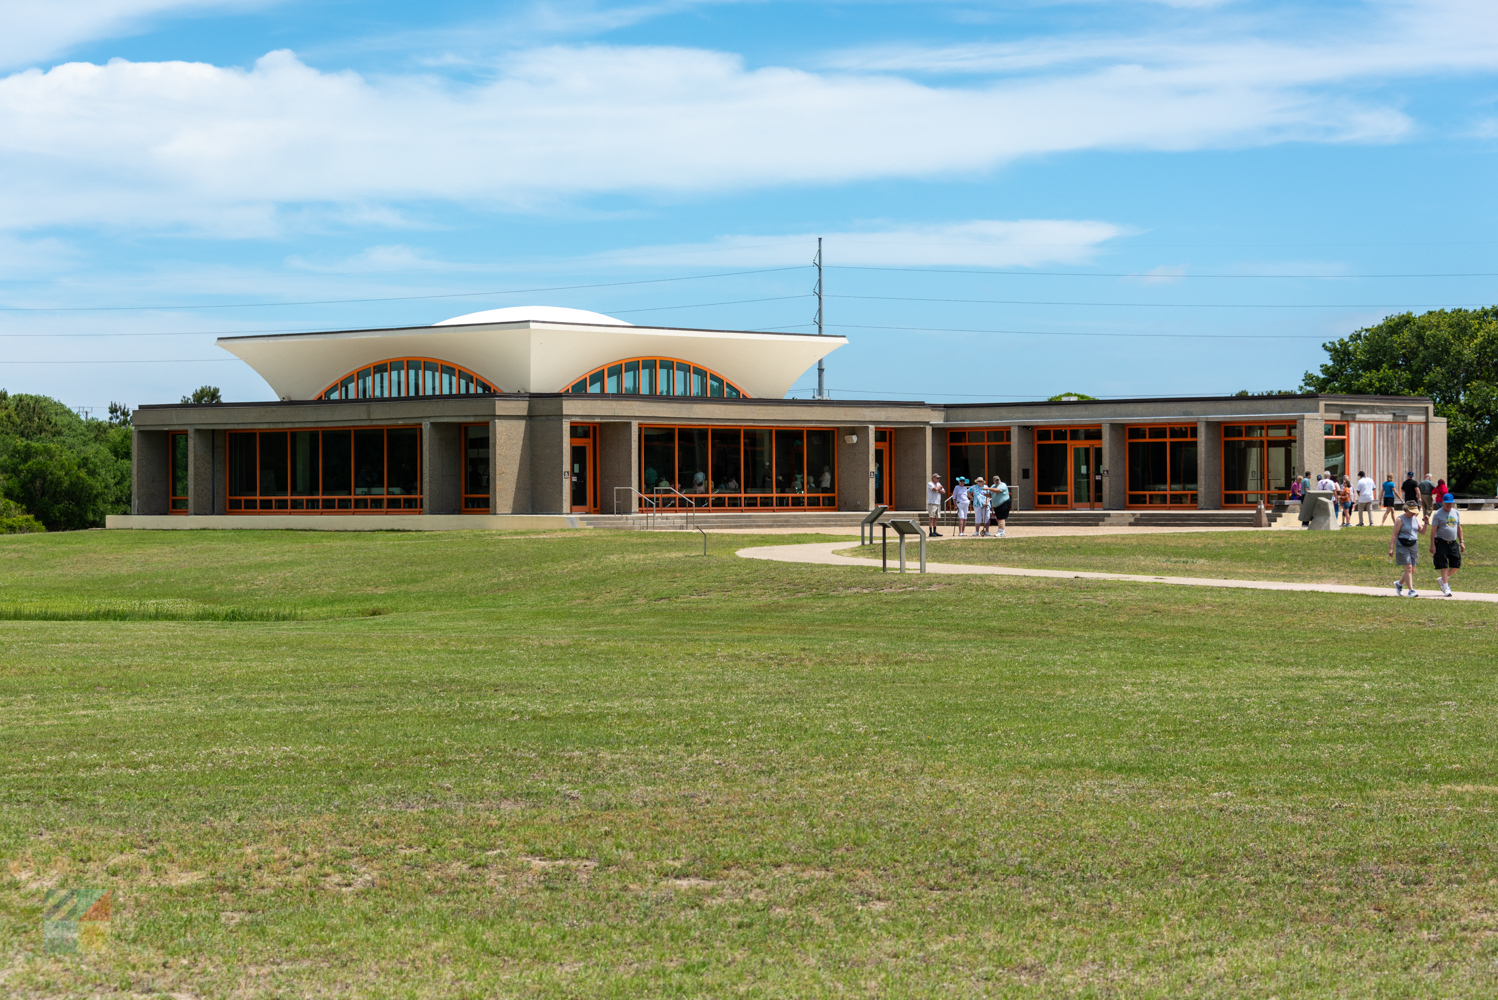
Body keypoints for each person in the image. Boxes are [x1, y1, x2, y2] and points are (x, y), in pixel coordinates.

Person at [1430, 493, 1465, 597]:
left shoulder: (1455, 512)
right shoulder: (1438, 514)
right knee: (1443, 565)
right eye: (1447, 504)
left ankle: (1443, 579)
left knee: (1456, 565)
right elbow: (1433, 531)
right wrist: (1432, 545)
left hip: (1453, 542)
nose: (1449, 506)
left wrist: (1462, 541)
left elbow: (1458, 528)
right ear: (1443, 502)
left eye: (1451, 504)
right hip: (1441, 543)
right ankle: (1446, 587)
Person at [1390, 501, 1425, 596]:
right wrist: (1391, 548)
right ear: (1406, 509)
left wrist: (1426, 523)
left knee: (1412, 570)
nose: (1414, 513)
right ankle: (1411, 591)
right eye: (1412, 511)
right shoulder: (1400, 519)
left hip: (1413, 545)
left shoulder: (1415, 519)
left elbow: (1422, 532)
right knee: (1408, 568)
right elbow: (1394, 535)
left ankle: (1399, 583)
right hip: (1402, 545)